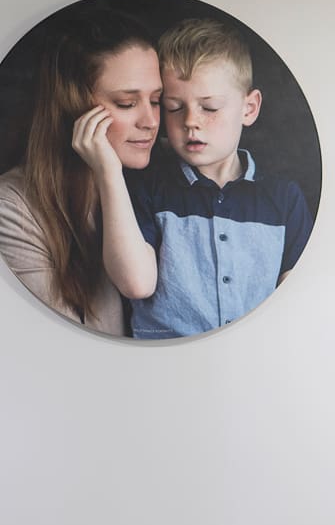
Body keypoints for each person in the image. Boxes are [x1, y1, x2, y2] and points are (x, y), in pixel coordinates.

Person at [99, 17, 312, 339]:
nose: (191, 122)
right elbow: (135, 283)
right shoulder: (146, 187)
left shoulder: (284, 199)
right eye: (173, 107)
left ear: (249, 108)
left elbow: (298, 297)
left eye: (209, 107)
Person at [0, 11, 162, 335]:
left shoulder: (167, 179)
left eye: (158, 101)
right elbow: (65, 349)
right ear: (74, 107)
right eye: (127, 104)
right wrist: (108, 172)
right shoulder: (12, 207)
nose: (151, 121)